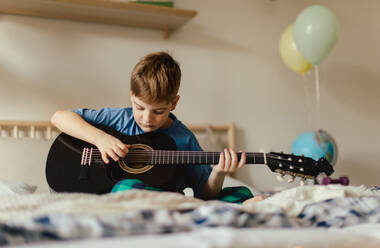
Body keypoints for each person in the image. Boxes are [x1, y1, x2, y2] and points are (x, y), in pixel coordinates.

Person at [51, 51, 263, 203]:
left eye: (158, 111)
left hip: (164, 199)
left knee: (243, 192)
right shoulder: (119, 118)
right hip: (121, 192)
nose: (146, 118)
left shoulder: (183, 138)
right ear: (132, 96)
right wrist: (100, 139)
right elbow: (59, 117)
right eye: (140, 108)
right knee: (127, 187)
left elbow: (205, 194)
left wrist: (218, 173)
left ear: (174, 103)